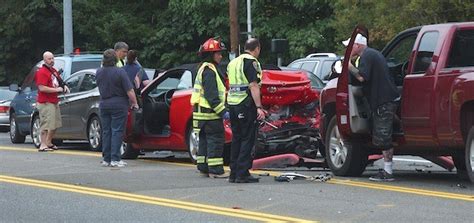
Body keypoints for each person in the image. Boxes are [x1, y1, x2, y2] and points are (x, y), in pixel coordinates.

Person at [347, 33, 400, 182]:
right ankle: (387, 168)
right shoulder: (372, 54)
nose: (348, 49)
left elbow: (362, 77)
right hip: (386, 98)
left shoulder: (367, 56)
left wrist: (349, 65)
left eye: (351, 46)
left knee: (383, 136)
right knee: (384, 133)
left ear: (357, 45)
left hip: (383, 100)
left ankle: (388, 171)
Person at [226, 38, 266, 183]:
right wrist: (259, 107)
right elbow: (254, 85)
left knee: (236, 138)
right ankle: (242, 173)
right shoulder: (251, 62)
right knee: (247, 138)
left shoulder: (233, 62)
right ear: (257, 48)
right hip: (245, 104)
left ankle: (234, 172)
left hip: (233, 104)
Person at [190, 37, 229, 178]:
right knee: (216, 141)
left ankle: (203, 167)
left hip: (202, 115)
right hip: (210, 114)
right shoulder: (209, 71)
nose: (221, 56)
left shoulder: (203, 69)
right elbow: (212, 96)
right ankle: (216, 170)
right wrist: (223, 112)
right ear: (211, 55)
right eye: (218, 53)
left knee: (205, 141)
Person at [96, 49, 139, 167]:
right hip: (119, 104)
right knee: (117, 131)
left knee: (106, 131)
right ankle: (115, 158)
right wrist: (134, 102)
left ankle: (106, 158)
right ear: (115, 59)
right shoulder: (120, 72)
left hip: (104, 104)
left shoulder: (99, 72)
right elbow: (129, 90)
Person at [35, 51, 70, 152]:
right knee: (46, 124)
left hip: (54, 101)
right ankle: (43, 144)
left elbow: (60, 82)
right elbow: (41, 88)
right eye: (49, 59)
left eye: (52, 58)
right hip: (45, 102)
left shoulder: (53, 70)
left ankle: (49, 142)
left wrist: (64, 86)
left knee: (54, 124)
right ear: (44, 60)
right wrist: (56, 90)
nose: (52, 61)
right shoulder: (41, 72)